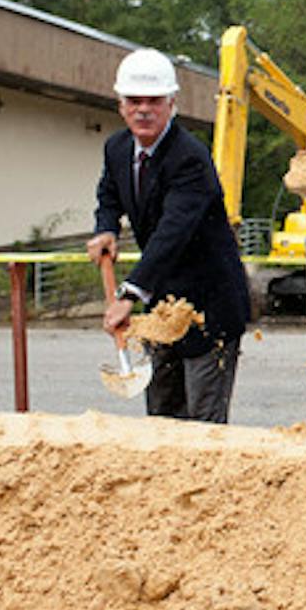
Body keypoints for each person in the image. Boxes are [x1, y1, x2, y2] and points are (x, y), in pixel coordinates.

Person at [87, 48, 250, 422]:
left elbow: (172, 233)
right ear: (120, 105)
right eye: (134, 101)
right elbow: (109, 193)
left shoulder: (189, 157)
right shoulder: (117, 148)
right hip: (162, 301)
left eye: (154, 101)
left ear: (171, 103)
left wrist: (128, 294)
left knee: (204, 423)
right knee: (162, 416)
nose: (143, 109)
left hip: (210, 307)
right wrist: (106, 228)